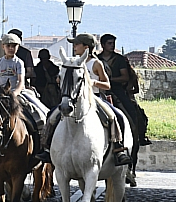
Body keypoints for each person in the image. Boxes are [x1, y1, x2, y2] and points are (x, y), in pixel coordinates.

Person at [35, 33, 130, 167]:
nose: (74, 47)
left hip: (94, 98)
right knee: (51, 116)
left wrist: (93, 82)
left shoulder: (96, 63)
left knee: (114, 116)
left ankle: (118, 148)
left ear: (86, 47)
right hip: (74, 99)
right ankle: (46, 148)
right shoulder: (72, 62)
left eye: (77, 44)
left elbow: (107, 84)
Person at [0, 32, 46, 163]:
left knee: (39, 114)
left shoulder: (19, 62)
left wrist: (14, 93)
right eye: (8, 45)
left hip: (18, 94)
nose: (11, 48)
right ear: (3, 47)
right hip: (1, 96)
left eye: (14, 46)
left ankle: (43, 147)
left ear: (18, 47)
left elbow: (21, 81)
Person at [99, 34, 150, 147]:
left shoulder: (119, 59)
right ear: (103, 45)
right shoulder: (97, 59)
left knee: (131, 110)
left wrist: (110, 79)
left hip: (117, 90)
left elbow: (125, 77)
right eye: (109, 43)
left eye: (113, 43)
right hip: (100, 90)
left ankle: (138, 135)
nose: (112, 46)